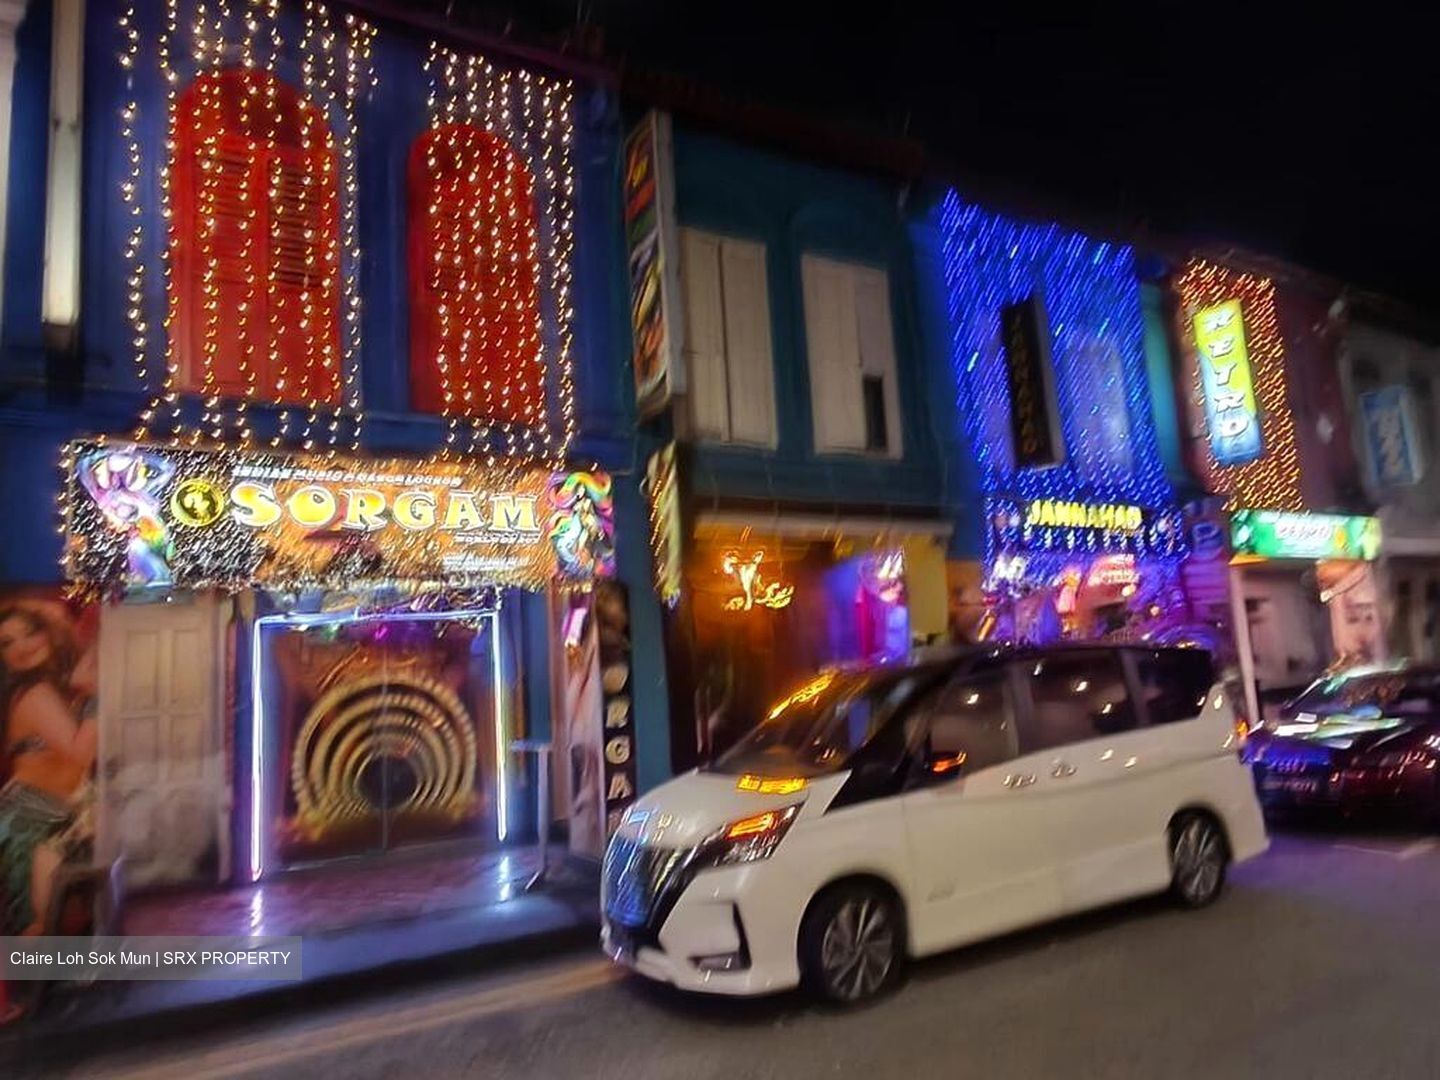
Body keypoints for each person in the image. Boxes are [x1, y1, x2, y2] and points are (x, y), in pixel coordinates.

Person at [0, 603, 97, 936]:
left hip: (56, 822)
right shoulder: (34, 695)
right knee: (36, 928)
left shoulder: (54, 688)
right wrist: (99, 697)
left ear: (47, 634)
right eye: (7, 643)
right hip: (29, 824)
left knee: (52, 927)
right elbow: (80, 753)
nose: (22, 647)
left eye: (29, 634)